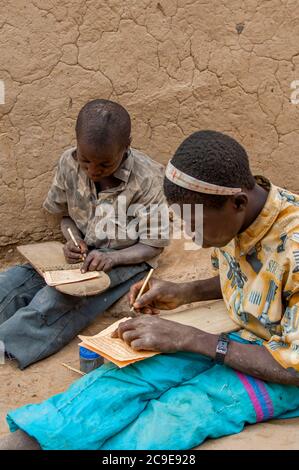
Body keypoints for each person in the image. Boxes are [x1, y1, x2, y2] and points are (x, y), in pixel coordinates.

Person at [2, 130, 299, 450]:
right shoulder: (238, 213)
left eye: (195, 224)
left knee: (182, 412)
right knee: (129, 377)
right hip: (239, 338)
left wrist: (191, 338)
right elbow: (255, 277)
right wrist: (185, 292)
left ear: (237, 203)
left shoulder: (293, 246)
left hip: (282, 367)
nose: (191, 237)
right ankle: (35, 438)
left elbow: (293, 367)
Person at [0, 99, 168, 370]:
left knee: (59, 298)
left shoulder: (147, 179)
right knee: (12, 282)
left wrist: (113, 259)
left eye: (104, 165)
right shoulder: (68, 163)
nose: (92, 170)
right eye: (85, 159)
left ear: (127, 146)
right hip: (85, 252)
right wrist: (71, 240)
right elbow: (65, 217)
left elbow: (153, 246)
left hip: (128, 259)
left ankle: (7, 344)